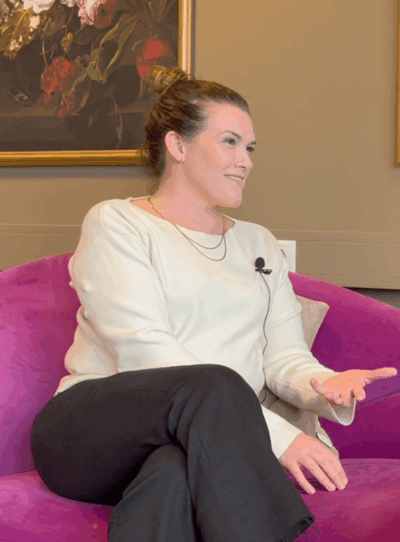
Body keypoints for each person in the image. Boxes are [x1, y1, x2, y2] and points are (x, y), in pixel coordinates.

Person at [30, 65, 397, 542]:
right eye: (229, 142)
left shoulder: (257, 242)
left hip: (191, 440)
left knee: (172, 476)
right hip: (90, 432)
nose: (245, 161)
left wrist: (324, 383)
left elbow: (282, 355)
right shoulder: (118, 223)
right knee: (214, 384)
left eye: (250, 148)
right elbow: (145, 353)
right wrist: (280, 438)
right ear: (178, 146)